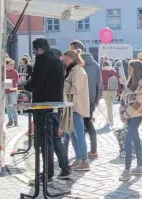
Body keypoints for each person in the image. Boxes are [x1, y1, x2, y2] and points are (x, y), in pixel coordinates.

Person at [24, 38, 71, 181]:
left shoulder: (42, 60)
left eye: (34, 50)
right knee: (55, 138)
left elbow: (36, 83)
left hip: (43, 106)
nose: (33, 53)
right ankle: (65, 167)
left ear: (39, 49)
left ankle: (48, 173)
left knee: (46, 140)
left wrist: (25, 86)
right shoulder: (57, 60)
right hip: (56, 104)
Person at [118, 60, 142, 181]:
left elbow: (140, 102)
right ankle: (140, 166)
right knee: (135, 140)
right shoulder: (131, 80)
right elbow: (123, 98)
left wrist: (126, 114)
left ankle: (127, 170)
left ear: (136, 69)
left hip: (137, 114)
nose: (128, 70)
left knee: (128, 141)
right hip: (129, 114)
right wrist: (123, 113)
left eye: (130, 68)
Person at [62, 50, 91, 171]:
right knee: (72, 134)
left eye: (66, 60)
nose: (65, 62)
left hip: (76, 106)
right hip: (71, 106)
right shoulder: (73, 70)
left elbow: (75, 88)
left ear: (72, 59)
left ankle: (84, 161)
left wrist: (62, 84)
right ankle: (79, 158)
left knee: (79, 135)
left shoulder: (78, 70)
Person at [81, 52, 103, 159]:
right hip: (91, 98)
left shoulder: (79, 64)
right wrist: (97, 99)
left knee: (82, 124)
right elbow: (99, 83)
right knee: (88, 122)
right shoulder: (95, 65)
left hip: (80, 98)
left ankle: (83, 151)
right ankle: (93, 149)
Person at [101, 61, 121, 126]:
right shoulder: (114, 71)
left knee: (109, 107)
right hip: (114, 90)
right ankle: (108, 120)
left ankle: (111, 121)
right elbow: (118, 81)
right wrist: (120, 91)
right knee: (110, 106)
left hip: (106, 90)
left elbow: (100, 82)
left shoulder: (102, 72)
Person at [5, 59, 19, 127]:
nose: (13, 66)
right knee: (7, 107)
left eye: (13, 64)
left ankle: (16, 121)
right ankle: (10, 120)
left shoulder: (15, 72)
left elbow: (16, 81)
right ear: (7, 65)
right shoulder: (4, 71)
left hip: (13, 91)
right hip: (5, 91)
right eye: (11, 64)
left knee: (13, 106)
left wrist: (10, 83)